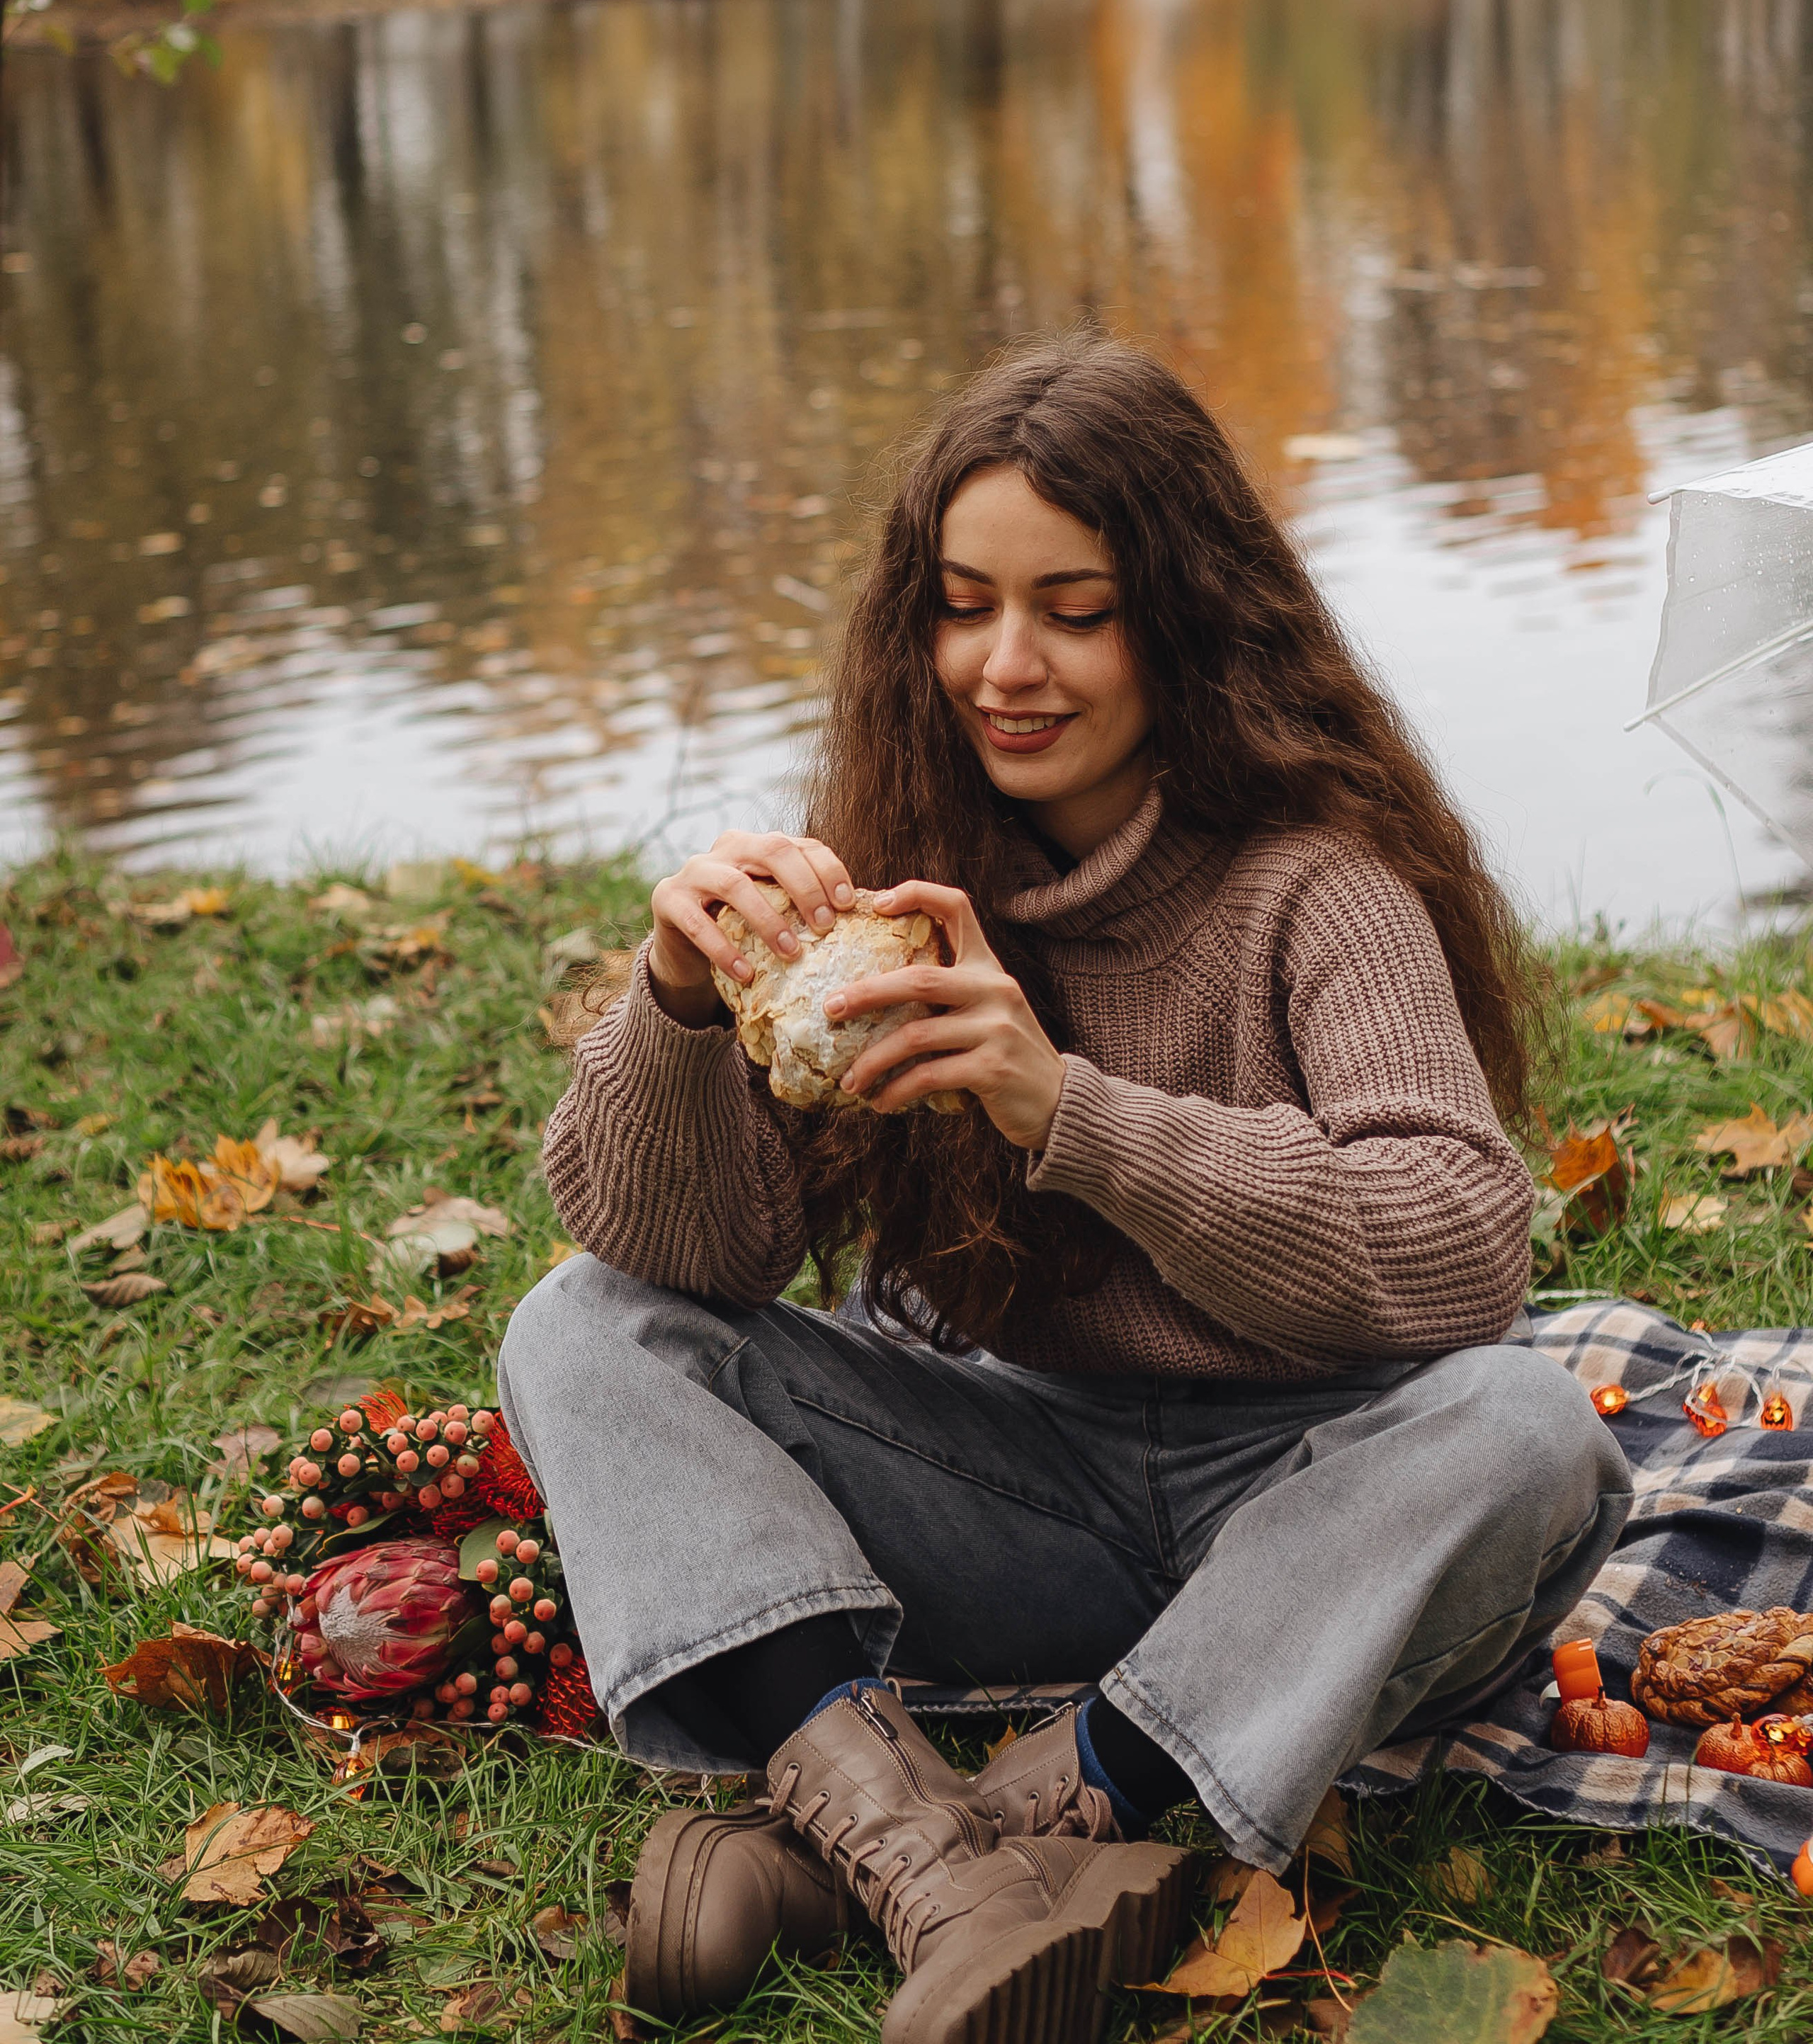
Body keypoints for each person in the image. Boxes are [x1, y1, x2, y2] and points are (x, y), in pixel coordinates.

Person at [499, 337, 1630, 2044]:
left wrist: (1067, 1107)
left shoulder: (1319, 886)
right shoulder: (891, 866)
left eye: (1072, 609)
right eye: (963, 605)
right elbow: (693, 1256)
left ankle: (1028, 1812)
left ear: (1181, 614)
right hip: (1015, 1483)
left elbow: (1457, 1251)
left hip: (1321, 1507)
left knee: (1531, 1431)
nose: (1004, 665)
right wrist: (674, 1010)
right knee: (582, 1325)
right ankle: (924, 1859)